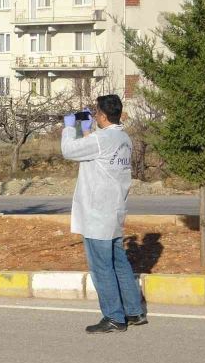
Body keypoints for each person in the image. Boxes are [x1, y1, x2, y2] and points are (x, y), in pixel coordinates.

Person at [61, 94, 147, 334]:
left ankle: (114, 317)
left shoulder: (102, 140)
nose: (94, 115)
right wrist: (86, 130)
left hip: (97, 213)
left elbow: (69, 150)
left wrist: (70, 127)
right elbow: (93, 148)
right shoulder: (122, 138)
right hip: (114, 210)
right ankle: (134, 311)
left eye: (96, 112)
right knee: (119, 261)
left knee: (101, 267)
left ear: (103, 116)